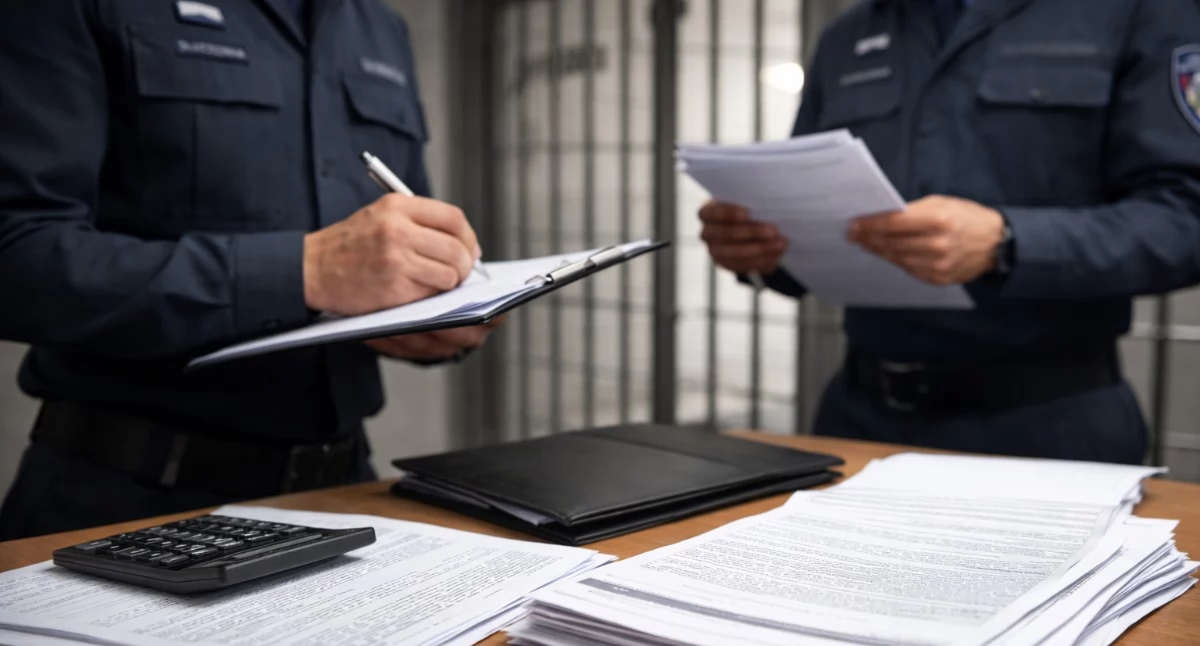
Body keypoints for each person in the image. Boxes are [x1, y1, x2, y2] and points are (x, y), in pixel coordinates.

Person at [0, 0, 502, 539]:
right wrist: (301, 272)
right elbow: (15, 255)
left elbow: (392, 247)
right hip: (124, 502)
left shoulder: (381, 29)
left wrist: (431, 308)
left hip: (345, 498)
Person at [700, 0, 1200, 464]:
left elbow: (1186, 218)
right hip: (858, 417)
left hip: (1048, 425)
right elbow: (808, 204)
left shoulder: (1135, 10)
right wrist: (763, 249)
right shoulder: (849, 34)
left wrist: (1010, 243)